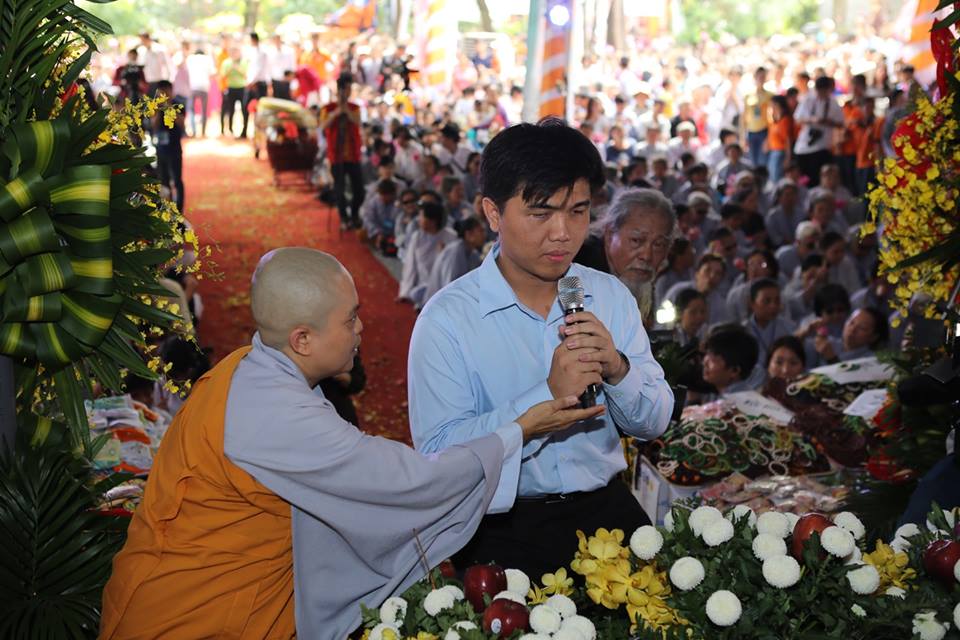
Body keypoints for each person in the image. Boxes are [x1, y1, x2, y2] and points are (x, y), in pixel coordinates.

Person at [100, 248, 597, 639]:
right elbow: (405, 483)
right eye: (350, 319)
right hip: (191, 618)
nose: (361, 329)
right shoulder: (277, 413)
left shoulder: (248, 369)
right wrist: (519, 431)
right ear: (302, 340)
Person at [408, 119, 674, 580]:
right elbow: (438, 457)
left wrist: (617, 368)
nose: (563, 233)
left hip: (608, 510)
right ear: (493, 213)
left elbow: (653, 422)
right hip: (505, 526)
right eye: (540, 213)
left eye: (578, 211)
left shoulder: (608, 296)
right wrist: (545, 399)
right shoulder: (447, 320)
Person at [574, 188, 674, 325]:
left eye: (658, 244)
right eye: (636, 240)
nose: (647, 256)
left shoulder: (638, 279)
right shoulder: (579, 269)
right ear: (610, 235)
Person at [321, 76, 364, 229]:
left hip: (353, 155)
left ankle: (354, 214)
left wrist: (347, 111)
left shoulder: (354, 107)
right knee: (339, 189)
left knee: (359, 190)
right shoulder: (328, 108)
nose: (348, 92)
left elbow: (358, 122)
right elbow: (323, 126)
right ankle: (344, 218)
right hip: (336, 156)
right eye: (346, 89)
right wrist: (336, 113)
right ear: (340, 90)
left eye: (349, 89)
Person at [397, 201, 456, 307]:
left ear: (432, 221)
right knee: (415, 294)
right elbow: (410, 266)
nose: (418, 220)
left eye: (421, 216)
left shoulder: (451, 236)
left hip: (444, 284)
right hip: (423, 285)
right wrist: (404, 292)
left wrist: (443, 253)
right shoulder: (417, 237)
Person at [421, 217, 487, 304]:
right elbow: (449, 286)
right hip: (439, 304)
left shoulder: (473, 254)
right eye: (480, 231)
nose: (484, 235)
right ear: (469, 234)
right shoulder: (455, 252)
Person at [793, 76, 844, 187]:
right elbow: (798, 119)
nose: (821, 94)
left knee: (819, 180)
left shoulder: (833, 103)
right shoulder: (808, 99)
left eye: (824, 91)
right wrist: (812, 120)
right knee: (805, 180)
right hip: (804, 146)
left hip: (823, 147)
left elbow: (841, 123)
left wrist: (828, 122)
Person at [812, 307, 888, 366]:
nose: (852, 329)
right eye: (851, 322)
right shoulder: (829, 343)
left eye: (862, 327)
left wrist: (832, 359)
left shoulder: (873, 360)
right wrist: (807, 332)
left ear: (873, 337)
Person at [152, 81, 186, 214]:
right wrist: (158, 109)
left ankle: (179, 209)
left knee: (177, 180)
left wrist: (168, 107)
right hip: (161, 149)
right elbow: (153, 125)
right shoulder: (156, 106)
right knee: (164, 181)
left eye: (166, 92)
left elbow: (181, 124)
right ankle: (168, 209)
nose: (164, 95)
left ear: (171, 91)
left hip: (174, 148)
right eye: (161, 92)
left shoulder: (178, 104)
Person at [701, 326, 760, 397]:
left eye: (713, 359)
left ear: (734, 371)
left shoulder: (737, 401)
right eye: (707, 353)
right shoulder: (715, 392)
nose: (704, 362)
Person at [185, 45, 215, 137]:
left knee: (191, 109)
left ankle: (194, 131)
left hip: (192, 86)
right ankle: (203, 132)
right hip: (204, 86)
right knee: (204, 110)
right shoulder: (208, 59)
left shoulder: (190, 58)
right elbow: (212, 73)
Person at [219, 46, 247, 138]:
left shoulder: (243, 62)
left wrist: (237, 68)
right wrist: (231, 68)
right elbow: (222, 76)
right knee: (230, 110)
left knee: (244, 110)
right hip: (231, 88)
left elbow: (246, 75)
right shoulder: (226, 63)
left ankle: (244, 131)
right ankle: (230, 129)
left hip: (242, 88)